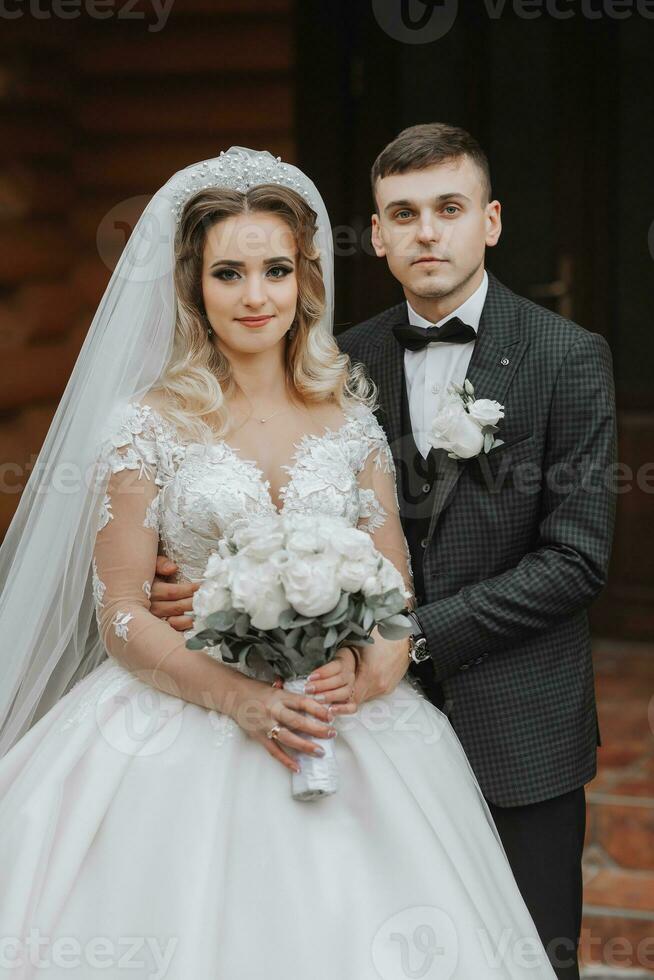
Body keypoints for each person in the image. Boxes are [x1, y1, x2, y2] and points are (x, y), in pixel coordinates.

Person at [0, 147, 557, 979]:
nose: (255, 296)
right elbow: (119, 612)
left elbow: (395, 588)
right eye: (229, 273)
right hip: (176, 722)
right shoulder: (145, 427)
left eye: (275, 270)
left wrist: (369, 667)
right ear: (194, 287)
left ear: (306, 281)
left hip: (349, 724)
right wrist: (241, 700)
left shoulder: (351, 421)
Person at [152, 126, 617, 979]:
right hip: (350, 727)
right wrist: (194, 575)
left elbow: (576, 560)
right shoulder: (338, 358)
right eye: (404, 214)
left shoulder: (567, 357)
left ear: (493, 221)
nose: (427, 233)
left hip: (514, 724)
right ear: (377, 234)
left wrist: (407, 637)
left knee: (526, 955)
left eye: (449, 209)